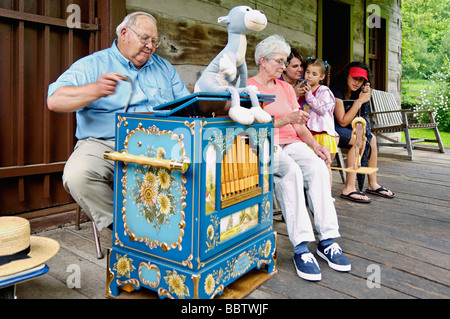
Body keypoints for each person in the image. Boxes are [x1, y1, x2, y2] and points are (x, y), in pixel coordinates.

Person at [47, 12, 191, 231]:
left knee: (203, 163)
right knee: (78, 175)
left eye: (154, 41)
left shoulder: (164, 67)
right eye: (144, 38)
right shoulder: (93, 64)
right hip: (107, 142)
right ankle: (126, 228)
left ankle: (181, 227)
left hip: (162, 140)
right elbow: (55, 101)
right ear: (124, 33)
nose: (150, 46)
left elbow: (185, 106)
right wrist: (94, 90)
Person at [248, 35, 351, 281]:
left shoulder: (284, 88)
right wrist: (286, 120)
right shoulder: (249, 88)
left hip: (292, 142)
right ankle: (301, 247)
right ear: (263, 61)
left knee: (316, 167)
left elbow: (300, 125)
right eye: (280, 62)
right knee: (290, 173)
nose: (284, 67)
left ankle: (327, 240)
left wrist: (316, 145)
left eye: (285, 62)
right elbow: (252, 128)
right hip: (265, 145)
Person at [331, 62, 394, 203]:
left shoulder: (358, 91)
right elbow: (341, 120)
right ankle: (349, 188)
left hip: (347, 126)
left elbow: (361, 117)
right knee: (359, 139)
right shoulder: (337, 89)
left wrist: (364, 98)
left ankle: (372, 184)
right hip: (332, 126)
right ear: (347, 75)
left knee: (371, 138)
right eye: (354, 78)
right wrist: (359, 101)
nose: (357, 82)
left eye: (361, 80)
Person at [300, 58, 338, 187]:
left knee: (324, 165)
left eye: (314, 74)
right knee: (311, 166)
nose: (309, 76)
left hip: (321, 133)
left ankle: (327, 193)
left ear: (322, 76)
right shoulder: (303, 89)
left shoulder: (324, 91)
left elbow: (322, 110)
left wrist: (309, 96)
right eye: (307, 72)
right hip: (309, 133)